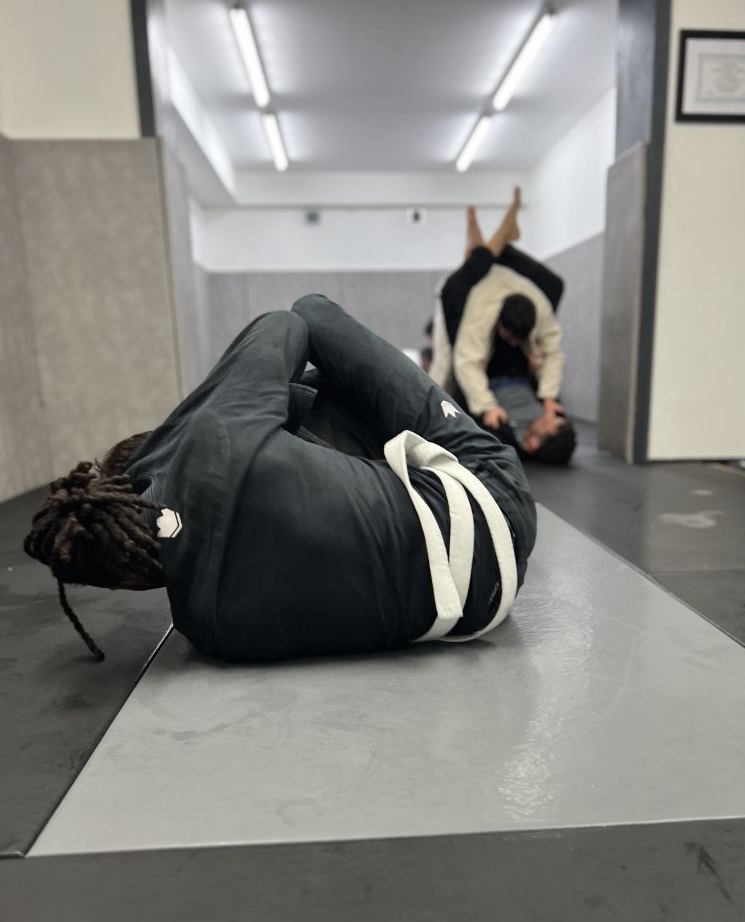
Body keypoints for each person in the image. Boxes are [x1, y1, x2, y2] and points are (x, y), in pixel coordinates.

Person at [24, 296, 537, 663]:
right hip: (494, 498)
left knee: (299, 434)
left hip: (482, 603)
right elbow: (289, 325)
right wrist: (194, 420)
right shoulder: (213, 438)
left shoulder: (207, 632)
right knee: (312, 313)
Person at [432, 189, 575, 464]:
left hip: (512, 283)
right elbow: (465, 360)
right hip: (468, 290)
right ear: (499, 323)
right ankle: (504, 232)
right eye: (508, 336)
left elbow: (554, 352)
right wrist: (485, 405)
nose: (511, 343)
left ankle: (492, 236)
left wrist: (548, 395)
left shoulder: (540, 310)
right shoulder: (478, 313)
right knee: (479, 258)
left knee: (481, 256)